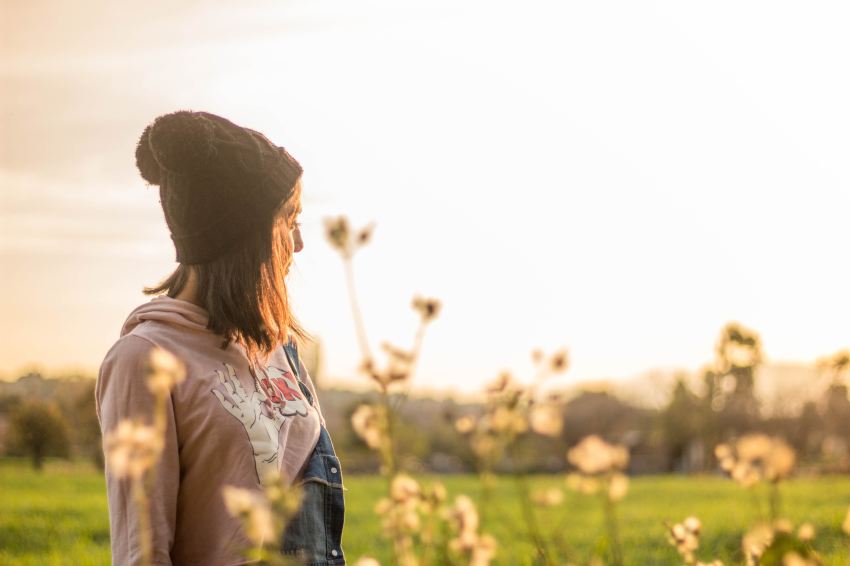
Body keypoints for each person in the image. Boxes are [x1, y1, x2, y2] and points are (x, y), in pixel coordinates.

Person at [95, 111, 345, 565]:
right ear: (245, 236)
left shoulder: (280, 349)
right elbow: (142, 553)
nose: (301, 242)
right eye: (289, 220)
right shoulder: (144, 358)